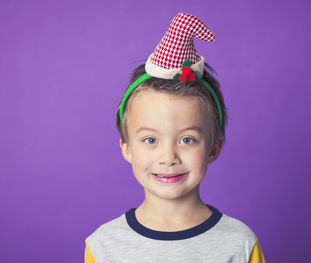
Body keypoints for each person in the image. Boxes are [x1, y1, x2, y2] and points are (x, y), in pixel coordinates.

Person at [84, 12, 266, 263]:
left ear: (214, 148)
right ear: (126, 148)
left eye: (187, 139)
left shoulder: (240, 244)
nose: (168, 157)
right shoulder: (103, 247)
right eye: (150, 140)